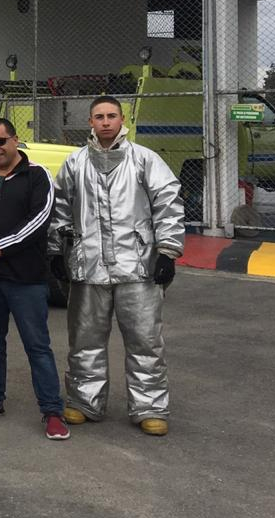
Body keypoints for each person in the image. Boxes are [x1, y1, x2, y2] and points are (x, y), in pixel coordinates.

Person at [48, 96, 184, 437]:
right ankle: (83, 402)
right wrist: (55, 253)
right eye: (99, 117)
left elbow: (167, 204)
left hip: (138, 268)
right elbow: (60, 210)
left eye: (111, 116)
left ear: (122, 119)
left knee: (145, 341)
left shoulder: (144, 160)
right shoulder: (76, 163)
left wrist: (167, 252)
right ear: (90, 122)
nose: (106, 122)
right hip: (88, 268)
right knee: (85, 341)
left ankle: (150, 407)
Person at [0, 118, 69, 440]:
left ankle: (52, 411)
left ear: (15, 140)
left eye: (0, 141)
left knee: (37, 346)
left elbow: (40, 219)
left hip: (26, 279)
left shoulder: (37, 176)